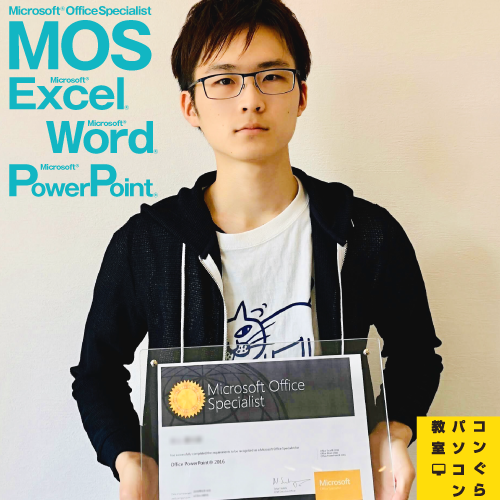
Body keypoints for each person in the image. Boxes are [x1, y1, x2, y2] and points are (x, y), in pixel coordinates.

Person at [70, 1, 443, 499]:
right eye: (224, 80)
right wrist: (129, 460)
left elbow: (416, 354)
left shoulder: (364, 232)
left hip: (335, 486)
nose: (250, 99)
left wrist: (392, 433)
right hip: (197, 488)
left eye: (271, 76)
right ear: (190, 106)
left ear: (301, 94)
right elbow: (96, 374)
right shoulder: (148, 244)